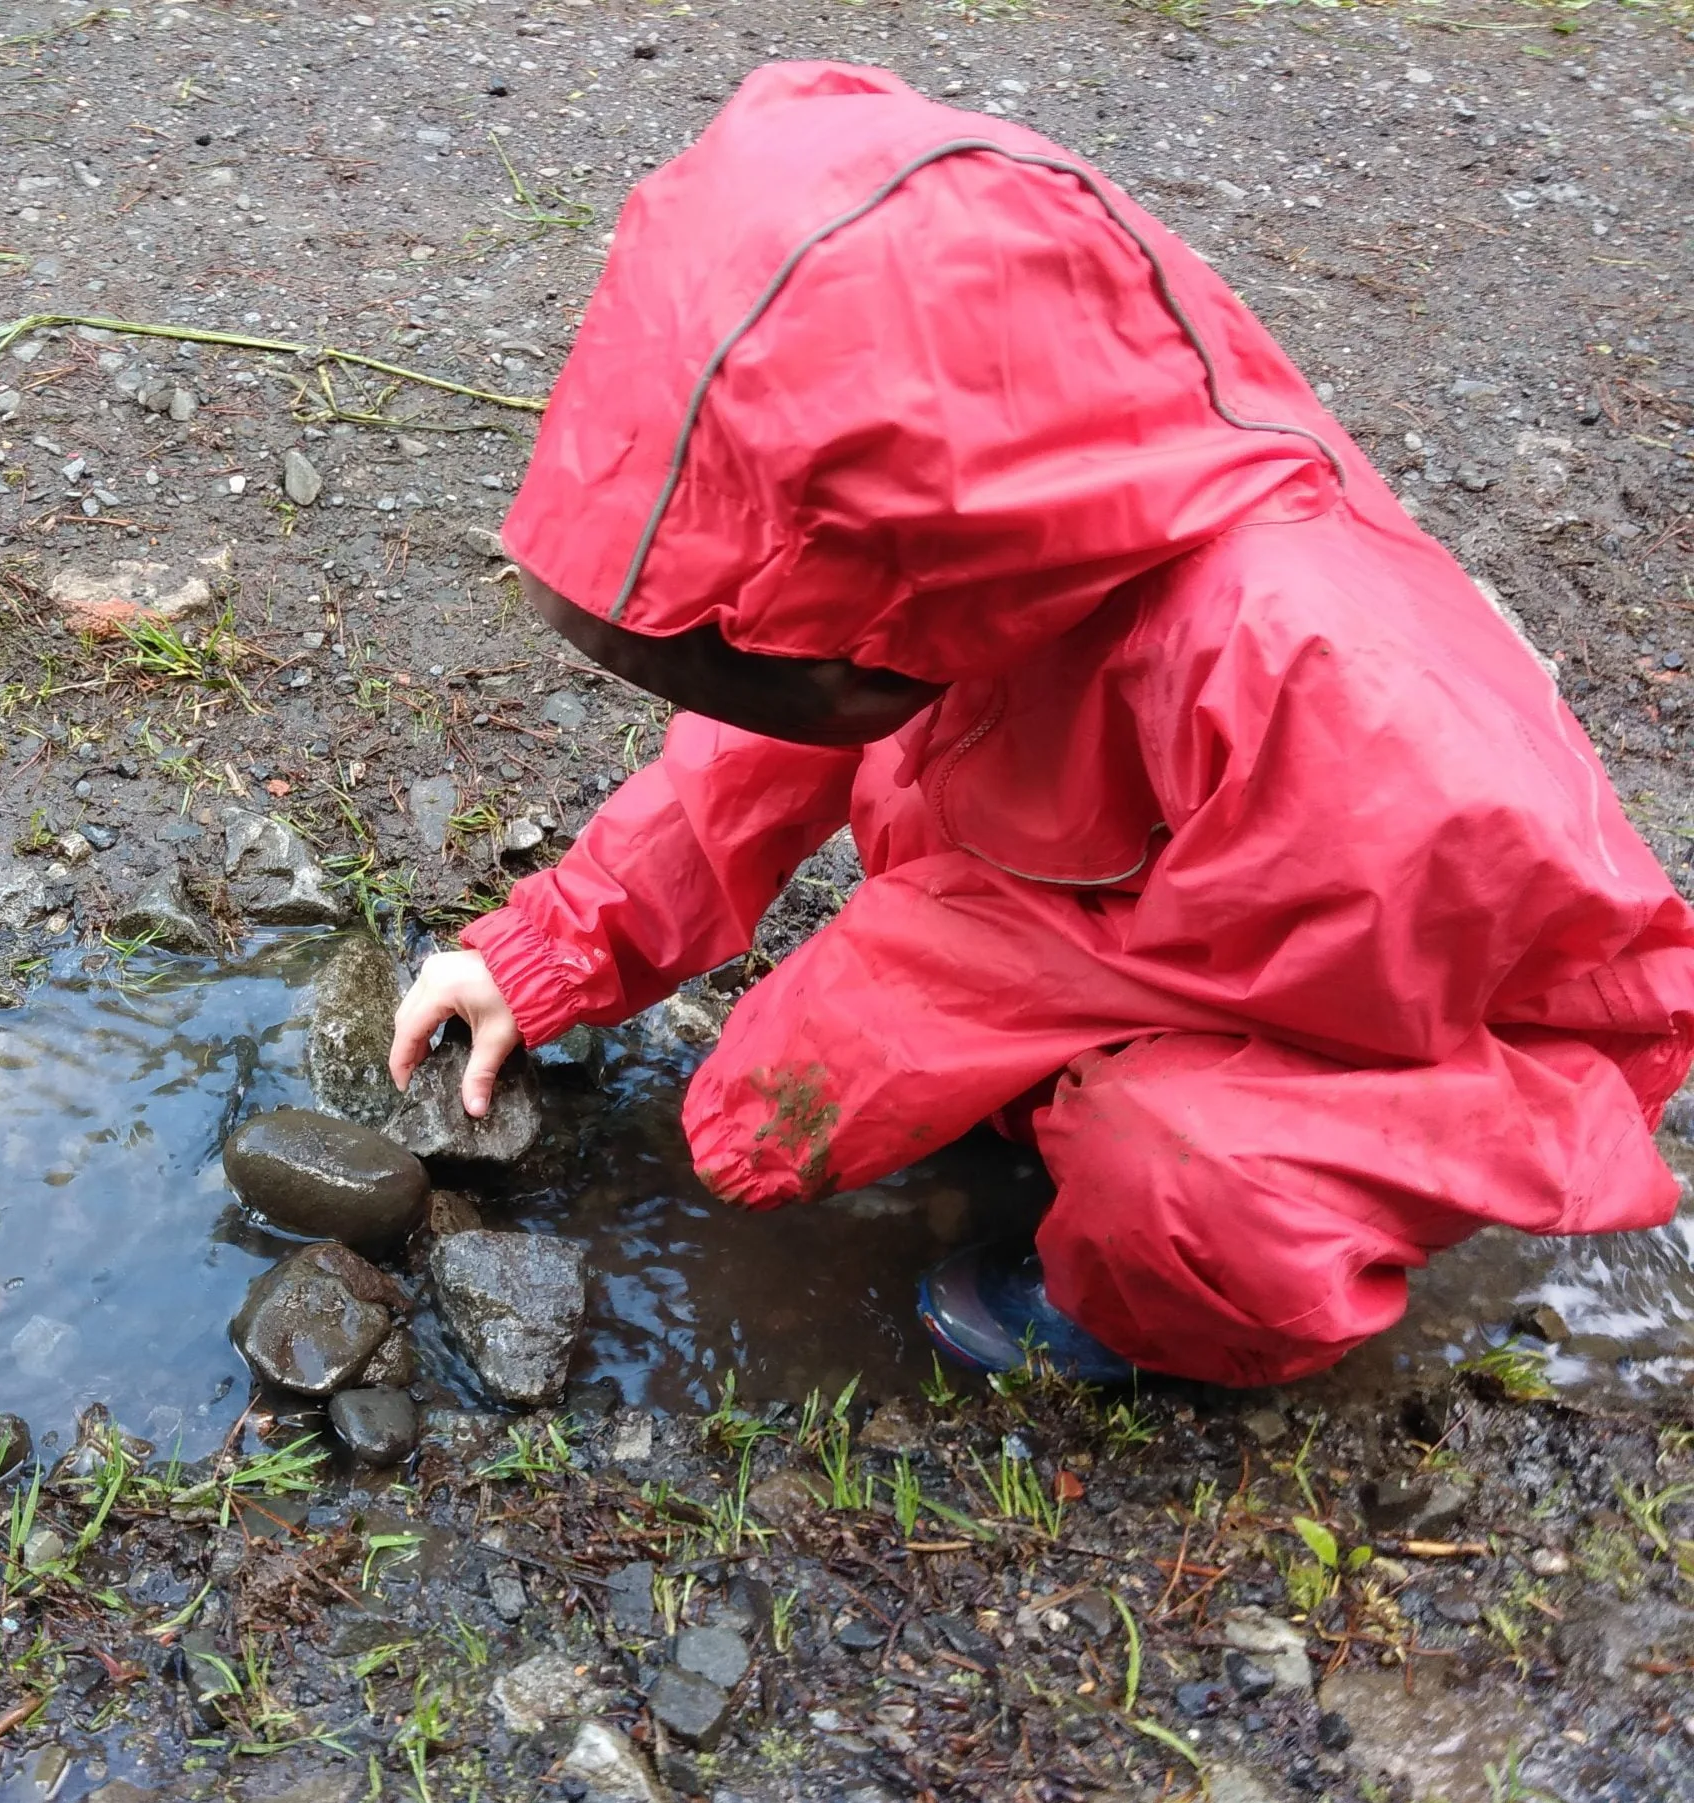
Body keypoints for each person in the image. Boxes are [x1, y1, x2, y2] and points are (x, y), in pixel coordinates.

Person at [386, 61, 1694, 1388]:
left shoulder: (1325, 683)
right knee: (952, 1021)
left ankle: (1152, 1314)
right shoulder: (995, 528)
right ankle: (1057, 1096)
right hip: (1158, 893)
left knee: (1186, 1183)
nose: (806, 693)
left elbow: (1368, 986)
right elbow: (776, 728)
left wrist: (922, 993)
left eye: (831, 664)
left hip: (1427, 1016)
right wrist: (556, 943)